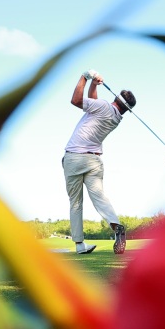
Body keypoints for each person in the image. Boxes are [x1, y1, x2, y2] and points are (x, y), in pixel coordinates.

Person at [62, 69, 136, 254]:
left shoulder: (103, 107)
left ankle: (79, 245)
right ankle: (116, 225)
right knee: (100, 197)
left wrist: (84, 77)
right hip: (94, 161)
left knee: (76, 203)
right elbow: (93, 102)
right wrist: (94, 85)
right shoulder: (116, 117)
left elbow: (76, 101)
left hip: (75, 157)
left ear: (117, 98)